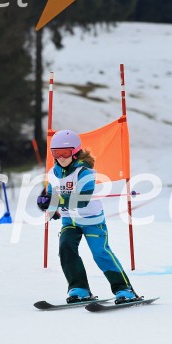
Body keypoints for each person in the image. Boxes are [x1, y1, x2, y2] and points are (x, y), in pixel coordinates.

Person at [37, 130, 140, 304]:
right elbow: (51, 196)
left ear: (75, 152)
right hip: (70, 220)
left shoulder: (85, 173)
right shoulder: (52, 174)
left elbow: (81, 200)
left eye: (65, 153)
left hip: (92, 220)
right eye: (56, 153)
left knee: (100, 253)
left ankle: (124, 289)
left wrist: (55, 199)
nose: (60, 157)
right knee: (66, 247)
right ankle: (79, 288)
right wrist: (48, 205)